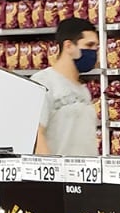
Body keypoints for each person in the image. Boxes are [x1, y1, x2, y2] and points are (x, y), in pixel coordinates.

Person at [32, 17, 99, 157]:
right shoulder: (43, 82)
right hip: (58, 169)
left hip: (84, 169)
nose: (94, 52)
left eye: (96, 47)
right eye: (89, 45)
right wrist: (49, 167)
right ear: (68, 46)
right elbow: (36, 135)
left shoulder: (83, 91)